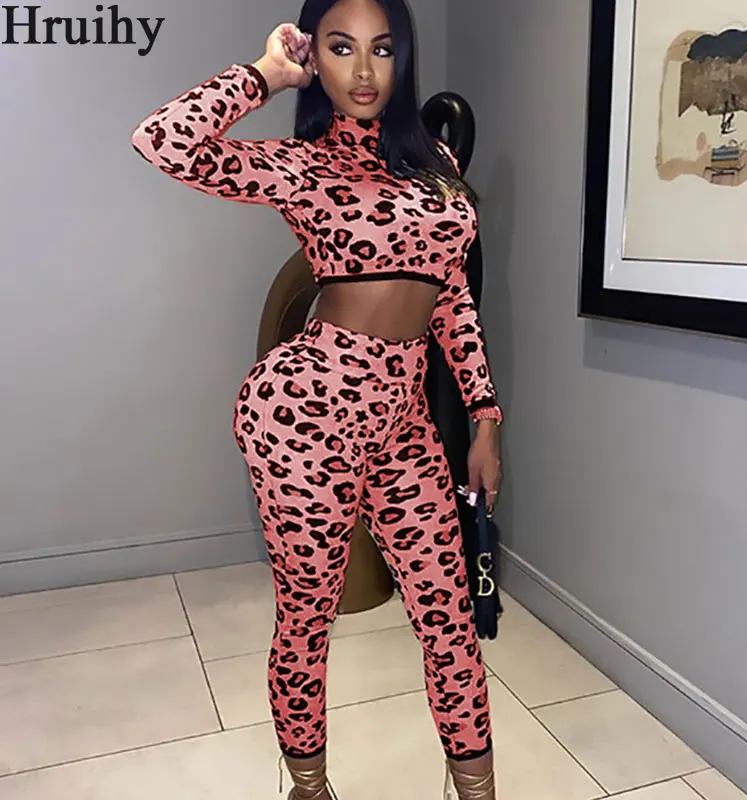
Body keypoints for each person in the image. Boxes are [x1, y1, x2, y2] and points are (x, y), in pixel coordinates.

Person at [130, 0, 503, 797]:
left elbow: (450, 299)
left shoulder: (436, 161)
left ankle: (477, 790)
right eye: (340, 48)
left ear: (404, 56)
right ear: (314, 58)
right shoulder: (303, 166)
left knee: (449, 618)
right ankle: (309, 788)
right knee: (309, 614)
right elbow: (162, 140)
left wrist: (484, 414)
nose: (363, 70)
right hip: (306, 418)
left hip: (404, 422)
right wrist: (264, 75)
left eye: (381, 49)